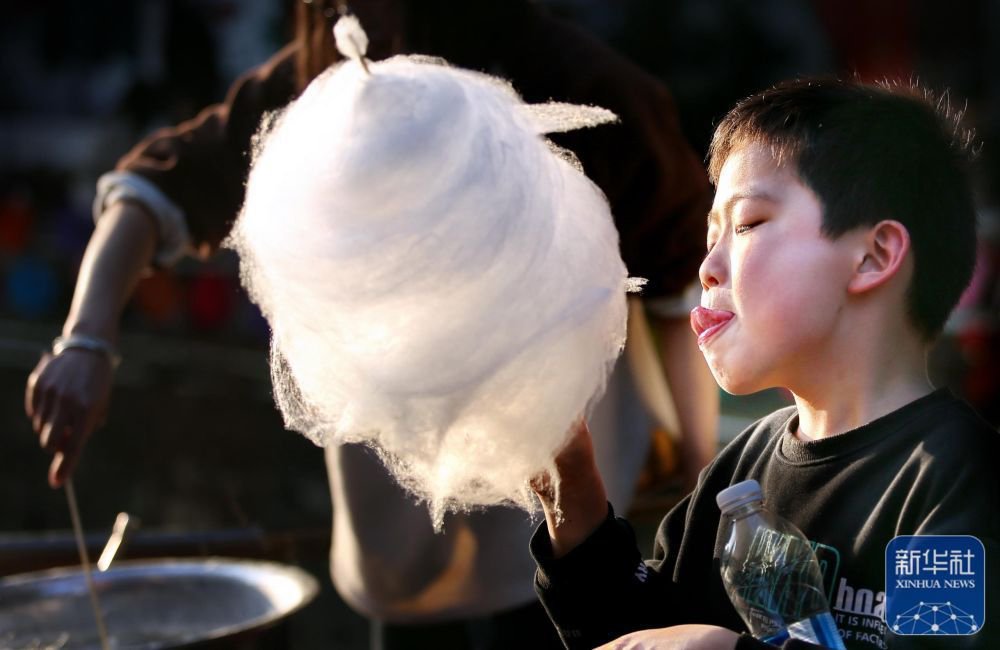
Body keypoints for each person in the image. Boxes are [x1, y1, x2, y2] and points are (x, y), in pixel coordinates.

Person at [24, 1, 717, 648]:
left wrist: (697, 457)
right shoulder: (317, 92)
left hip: (566, 540)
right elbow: (152, 191)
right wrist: (85, 340)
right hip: (403, 559)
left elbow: (679, 281)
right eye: (331, 3)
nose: (353, 17)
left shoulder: (568, 77)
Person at [530, 78, 1000, 649]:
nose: (707, 268)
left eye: (747, 223)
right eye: (711, 237)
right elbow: (639, 636)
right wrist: (572, 495)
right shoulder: (739, 471)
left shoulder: (954, 476)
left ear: (873, 257)